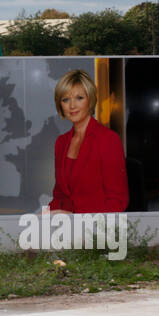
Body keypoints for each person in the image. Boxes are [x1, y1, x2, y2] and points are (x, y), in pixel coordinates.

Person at [50, 69, 128, 213]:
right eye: (65, 99)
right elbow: (59, 196)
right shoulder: (61, 143)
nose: (72, 106)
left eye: (79, 98)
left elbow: (117, 201)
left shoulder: (108, 140)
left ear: (90, 100)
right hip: (66, 229)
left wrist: (76, 219)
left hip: (97, 231)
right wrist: (41, 218)